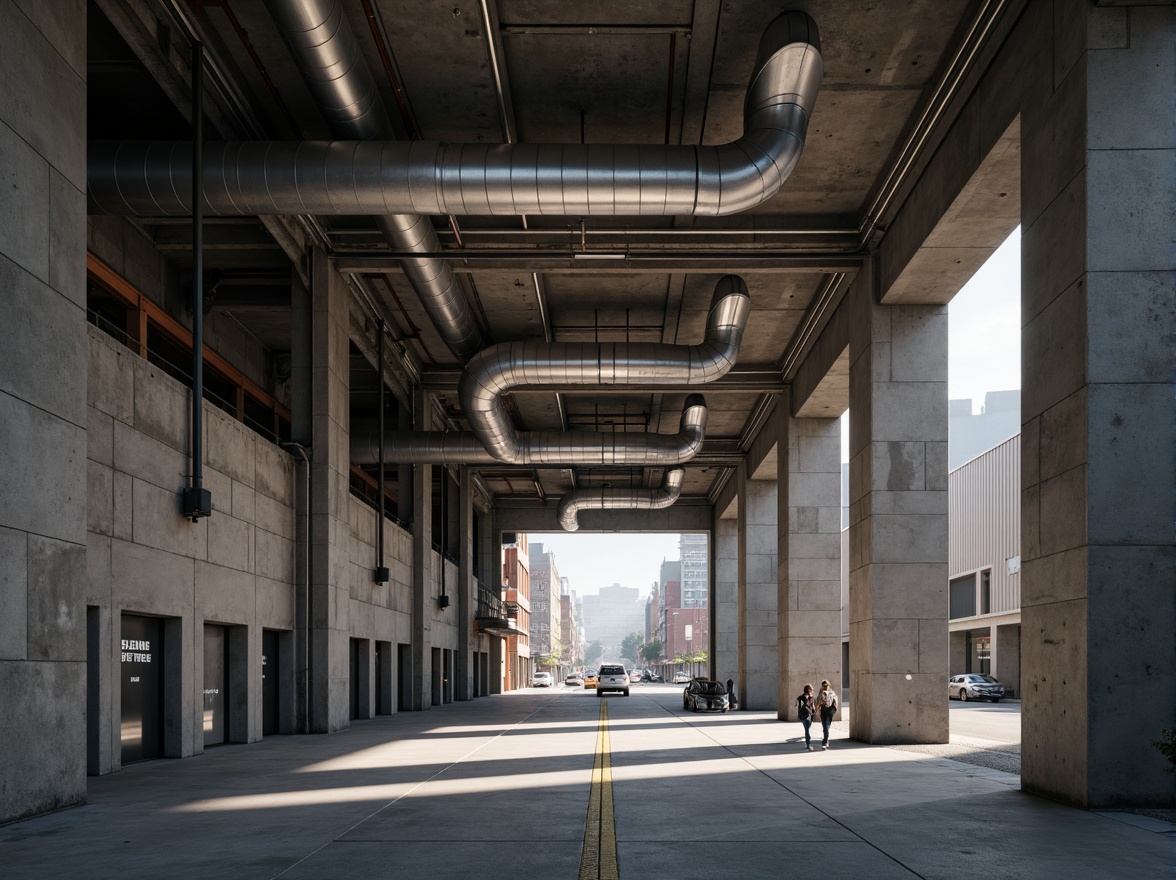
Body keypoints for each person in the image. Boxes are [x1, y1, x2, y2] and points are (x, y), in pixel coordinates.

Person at [816, 679, 838, 749]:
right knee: (825, 725)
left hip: (829, 710)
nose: (825, 687)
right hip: (824, 710)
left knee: (826, 725)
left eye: (826, 686)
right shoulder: (821, 692)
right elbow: (818, 700)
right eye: (823, 686)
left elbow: (835, 701)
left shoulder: (831, 692)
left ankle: (825, 741)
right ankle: (825, 741)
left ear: (829, 686)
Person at [796, 684, 816, 750]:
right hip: (805, 716)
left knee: (807, 728)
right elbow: (802, 705)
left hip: (807, 715)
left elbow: (812, 706)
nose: (811, 692)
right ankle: (808, 743)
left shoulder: (810, 697)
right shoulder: (802, 698)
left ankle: (807, 742)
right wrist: (807, 699)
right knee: (807, 729)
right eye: (811, 691)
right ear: (809, 691)